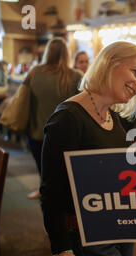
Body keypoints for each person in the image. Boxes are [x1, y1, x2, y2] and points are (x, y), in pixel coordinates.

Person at [40, 41, 136, 256]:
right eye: (135, 72)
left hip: (119, 226)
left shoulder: (113, 116)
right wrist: (61, 250)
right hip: (85, 234)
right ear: (109, 64)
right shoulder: (68, 118)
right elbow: (51, 191)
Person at [25, 38, 83, 199]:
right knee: (64, 172)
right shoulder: (75, 76)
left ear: (47, 52)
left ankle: (43, 191)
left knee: (43, 168)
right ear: (67, 54)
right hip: (66, 133)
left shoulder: (34, 72)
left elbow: (25, 99)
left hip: (37, 130)